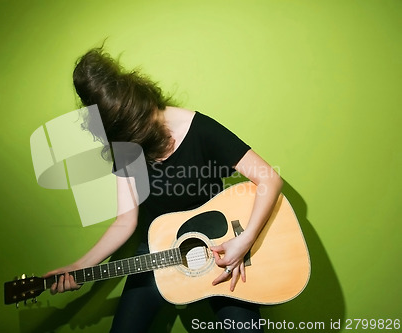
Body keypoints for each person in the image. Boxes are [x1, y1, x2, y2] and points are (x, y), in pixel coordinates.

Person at [45, 47, 283, 332]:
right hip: (157, 251)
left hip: (219, 246)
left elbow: (269, 178)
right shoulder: (125, 142)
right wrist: (79, 268)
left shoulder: (200, 129)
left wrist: (243, 242)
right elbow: (125, 222)